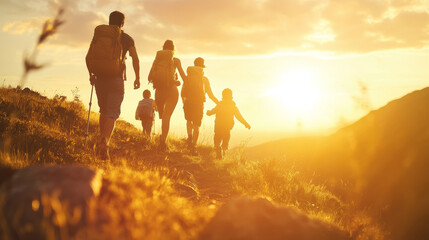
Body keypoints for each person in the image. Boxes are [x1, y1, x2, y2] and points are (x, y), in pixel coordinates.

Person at [87, 11, 140, 159]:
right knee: (112, 113)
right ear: (123, 23)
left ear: (109, 21)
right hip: (116, 78)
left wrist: (91, 74)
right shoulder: (126, 38)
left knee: (103, 110)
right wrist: (137, 78)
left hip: (100, 78)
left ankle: (100, 139)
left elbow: (88, 56)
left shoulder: (99, 35)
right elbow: (135, 59)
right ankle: (105, 141)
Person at [148, 40, 186, 151]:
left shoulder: (157, 60)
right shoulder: (176, 61)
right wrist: (178, 82)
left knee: (162, 115)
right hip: (172, 91)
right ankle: (163, 141)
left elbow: (149, 77)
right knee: (166, 116)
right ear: (173, 49)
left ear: (163, 48)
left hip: (159, 91)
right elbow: (184, 77)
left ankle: (162, 138)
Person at [181, 57, 218, 153]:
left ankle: (189, 136)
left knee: (189, 120)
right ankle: (193, 145)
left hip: (188, 102)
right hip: (199, 104)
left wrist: (184, 103)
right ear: (202, 66)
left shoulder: (188, 77)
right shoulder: (204, 79)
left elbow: (182, 93)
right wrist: (218, 103)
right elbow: (210, 95)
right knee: (196, 125)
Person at [207, 88, 251, 158]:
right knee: (225, 142)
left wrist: (209, 112)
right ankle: (223, 155)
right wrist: (246, 123)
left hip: (218, 126)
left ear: (223, 96)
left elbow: (213, 111)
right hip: (227, 127)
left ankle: (218, 150)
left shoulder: (220, 104)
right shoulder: (233, 107)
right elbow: (239, 117)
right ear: (231, 97)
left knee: (217, 140)